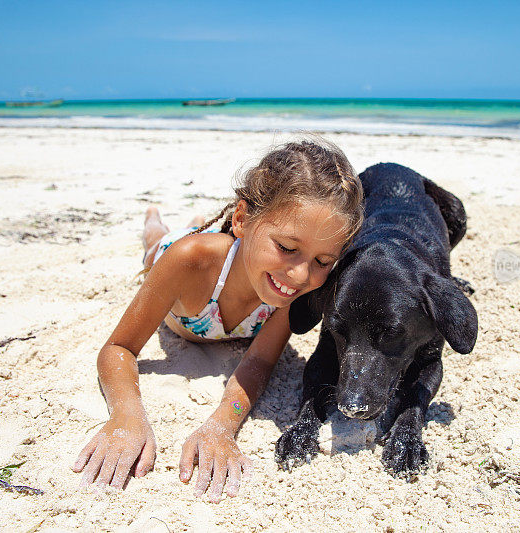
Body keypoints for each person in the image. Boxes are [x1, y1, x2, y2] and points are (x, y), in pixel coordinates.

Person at [71, 138, 363, 502]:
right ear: (241, 220)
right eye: (287, 248)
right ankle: (154, 219)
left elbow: (258, 361)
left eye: (323, 261)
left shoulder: (292, 294)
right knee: (154, 244)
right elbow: (118, 347)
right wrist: (126, 414)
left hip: (224, 256)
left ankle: (191, 222)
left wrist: (223, 425)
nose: (301, 274)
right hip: (177, 251)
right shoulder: (188, 260)